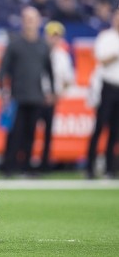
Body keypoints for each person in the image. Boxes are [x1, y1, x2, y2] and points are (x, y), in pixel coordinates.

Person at [0, 6, 55, 176]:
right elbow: (3, 70)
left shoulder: (43, 45)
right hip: (17, 95)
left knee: (31, 133)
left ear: (38, 22)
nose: (29, 22)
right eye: (27, 19)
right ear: (22, 21)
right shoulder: (15, 44)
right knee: (14, 133)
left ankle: (27, 166)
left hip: (36, 96)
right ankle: (10, 165)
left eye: (32, 19)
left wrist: (51, 91)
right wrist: (3, 90)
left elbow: (49, 70)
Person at [86, 8, 119, 179]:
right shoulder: (106, 37)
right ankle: (90, 168)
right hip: (107, 86)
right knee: (99, 127)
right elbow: (100, 59)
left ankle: (110, 168)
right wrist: (115, 54)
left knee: (115, 131)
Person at [39, 21, 75, 172]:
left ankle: (45, 163)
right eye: (51, 35)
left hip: (53, 97)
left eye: (57, 36)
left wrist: (56, 95)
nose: (54, 39)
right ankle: (24, 162)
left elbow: (68, 80)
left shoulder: (63, 56)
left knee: (48, 133)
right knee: (27, 130)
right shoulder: (39, 51)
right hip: (37, 96)